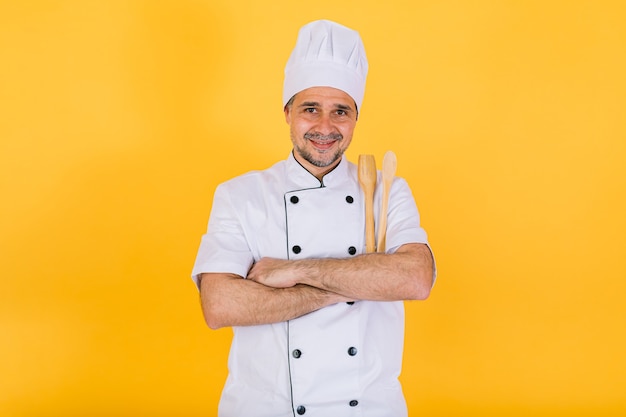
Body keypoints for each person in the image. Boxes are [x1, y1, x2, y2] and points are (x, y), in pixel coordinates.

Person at [192, 19, 436, 417]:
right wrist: (357, 284)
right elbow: (220, 304)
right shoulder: (240, 195)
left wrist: (291, 270)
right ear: (288, 112)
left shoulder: (387, 190)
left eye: (341, 111)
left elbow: (415, 279)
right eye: (310, 109)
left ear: (356, 118)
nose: (325, 127)